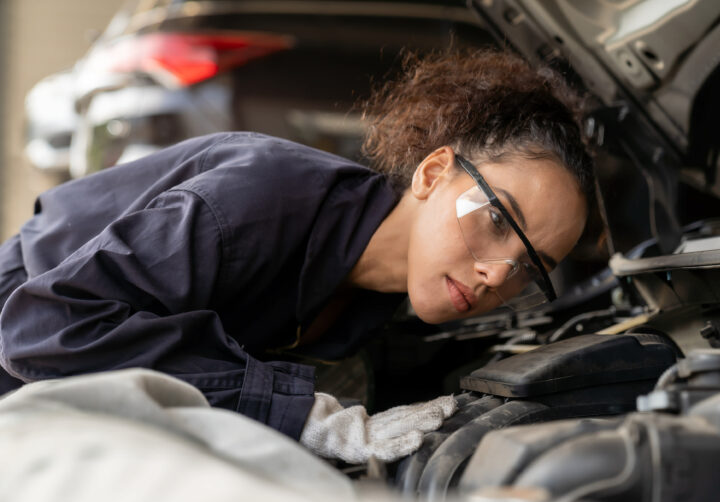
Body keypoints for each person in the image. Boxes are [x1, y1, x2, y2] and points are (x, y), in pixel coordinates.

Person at [0, 49, 593, 463]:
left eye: (530, 266)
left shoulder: (378, 307)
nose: (498, 273)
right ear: (434, 172)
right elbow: (46, 324)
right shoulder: (263, 198)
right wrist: (301, 413)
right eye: (495, 218)